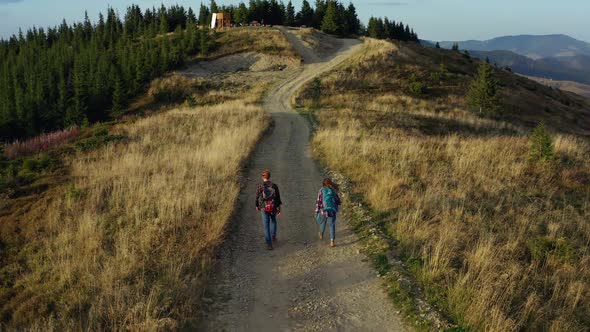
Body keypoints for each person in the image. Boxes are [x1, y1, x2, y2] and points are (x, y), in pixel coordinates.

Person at [255, 169, 282, 250]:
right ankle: (273, 236)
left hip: (264, 207)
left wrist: (257, 205)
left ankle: (269, 244)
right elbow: (278, 198)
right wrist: (279, 208)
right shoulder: (274, 186)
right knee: (273, 220)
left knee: (266, 226)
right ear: (269, 176)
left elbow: (257, 197)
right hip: (273, 206)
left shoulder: (260, 186)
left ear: (262, 177)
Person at [315, 178, 341, 248]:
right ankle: (332, 241)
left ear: (323, 184)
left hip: (323, 210)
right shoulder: (333, 190)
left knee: (323, 223)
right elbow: (338, 200)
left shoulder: (321, 190)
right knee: (332, 225)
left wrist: (317, 211)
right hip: (332, 210)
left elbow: (319, 202)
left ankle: (321, 234)